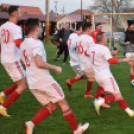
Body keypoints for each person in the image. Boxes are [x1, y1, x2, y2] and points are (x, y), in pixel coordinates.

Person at [20, 18, 89, 134]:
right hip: (44, 80)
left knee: (52, 106)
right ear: (37, 28)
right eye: (41, 27)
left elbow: (23, 61)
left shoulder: (23, 43)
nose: (42, 29)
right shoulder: (36, 43)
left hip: (32, 82)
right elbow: (39, 63)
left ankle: (30, 124)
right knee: (63, 103)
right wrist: (55, 67)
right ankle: (77, 130)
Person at [85, 32, 134, 117]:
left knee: (117, 94)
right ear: (102, 39)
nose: (107, 39)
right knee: (117, 96)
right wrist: (125, 60)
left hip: (98, 76)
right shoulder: (104, 48)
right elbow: (110, 61)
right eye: (106, 37)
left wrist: (109, 53)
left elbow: (86, 52)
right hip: (106, 75)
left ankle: (130, 112)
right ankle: (98, 102)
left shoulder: (92, 48)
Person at [0, 6, 27, 117]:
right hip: (12, 60)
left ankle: (2, 94)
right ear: (15, 14)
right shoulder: (15, 28)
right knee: (23, 86)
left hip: (5, 59)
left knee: (22, 81)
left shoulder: (2, 27)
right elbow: (18, 43)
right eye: (20, 12)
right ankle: (2, 107)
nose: (21, 14)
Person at [66, 22, 86, 92]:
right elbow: (73, 47)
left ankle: (70, 82)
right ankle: (69, 81)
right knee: (86, 75)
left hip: (78, 60)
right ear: (81, 28)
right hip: (76, 61)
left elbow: (67, 43)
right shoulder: (75, 36)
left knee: (85, 75)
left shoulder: (73, 35)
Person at [119, 20, 134, 86]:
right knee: (132, 65)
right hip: (128, 52)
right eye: (132, 25)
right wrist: (125, 43)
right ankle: (133, 81)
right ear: (129, 25)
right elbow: (120, 42)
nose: (133, 26)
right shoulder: (124, 34)